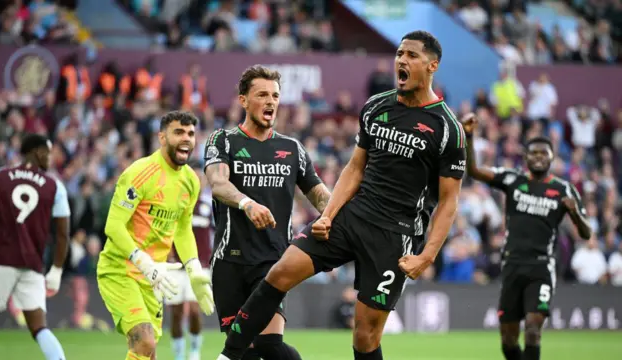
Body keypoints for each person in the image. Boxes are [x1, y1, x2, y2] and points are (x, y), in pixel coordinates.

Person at [217, 31, 467, 360]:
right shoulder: (377, 106)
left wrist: (427, 255)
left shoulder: (448, 128)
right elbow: (354, 168)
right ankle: (227, 356)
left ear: (432, 65)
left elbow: (449, 201)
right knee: (279, 273)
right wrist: (328, 215)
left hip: (393, 236)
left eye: (411, 56)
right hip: (352, 217)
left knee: (364, 337)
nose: (401, 61)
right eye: (399, 54)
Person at [204, 65, 331, 360]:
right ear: (243, 100)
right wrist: (248, 204)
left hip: (272, 261)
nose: (271, 101)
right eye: (262, 94)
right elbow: (218, 184)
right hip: (229, 263)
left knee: (268, 345)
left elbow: (320, 195)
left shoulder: (292, 149)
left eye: (275, 95)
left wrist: (337, 216)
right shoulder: (223, 141)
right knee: (245, 353)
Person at [462, 116, 591, 360]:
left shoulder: (564, 190)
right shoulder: (513, 180)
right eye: (534, 153)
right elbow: (474, 170)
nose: (539, 157)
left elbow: (587, 233)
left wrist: (575, 213)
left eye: (544, 153)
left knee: (533, 329)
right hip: (512, 264)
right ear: (525, 157)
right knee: (508, 341)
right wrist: (469, 137)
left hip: (541, 266)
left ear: (552, 158)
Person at [96, 111, 214, 360]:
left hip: (154, 278)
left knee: (148, 353)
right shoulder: (140, 173)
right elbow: (113, 226)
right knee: (145, 341)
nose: (186, 139)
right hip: (120, 270)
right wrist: (143, 261)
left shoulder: (191, 182)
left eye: (191, 134)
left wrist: (193, 269)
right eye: (178, 132)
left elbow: (182, 230)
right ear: (162, 137)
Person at [0, 133, 70, 360]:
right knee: (39, 327)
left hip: (0, 259)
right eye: (48, 152)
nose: (50, 158)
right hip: (32, 264)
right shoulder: (54, 186)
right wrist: (57, 270)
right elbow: (62, 233)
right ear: (38, 152)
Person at [166, 246, 205, 360]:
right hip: (174, 268)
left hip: (198, 266)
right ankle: (179, 355)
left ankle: (195, 349)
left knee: (194, 310)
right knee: (176, 313)